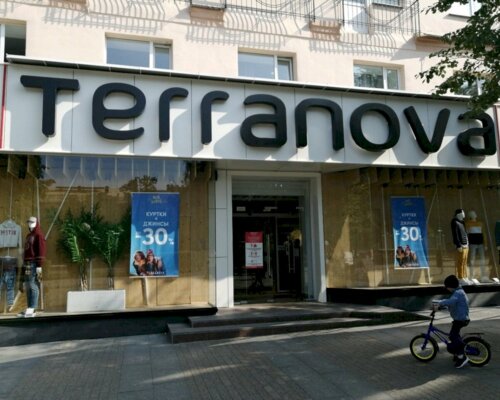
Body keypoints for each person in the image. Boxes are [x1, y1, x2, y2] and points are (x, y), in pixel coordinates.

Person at [434, 274, 470, 368]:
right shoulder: (458, 292)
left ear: (450, 286)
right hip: (459, 318)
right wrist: (442, 305)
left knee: (453, 336)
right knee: (455, 335)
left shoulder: (458, 293)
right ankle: (457, 353)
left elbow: (451, 301)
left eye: (447, 287)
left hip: (461, 319)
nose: (447, 289)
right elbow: (452, 302)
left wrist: (440, 303)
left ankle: (462, 356)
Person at [18, 216, 46, 318]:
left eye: (32, 222)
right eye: (29, 222)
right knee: (28, 285)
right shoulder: (28, 235)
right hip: (27, 263)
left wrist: (39, 265)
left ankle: (33, 308)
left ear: (36, 223)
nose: (30, 223)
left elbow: (41, 250)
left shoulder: (39, 235)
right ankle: (29, 308)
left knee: (33, 284)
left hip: (34, 263)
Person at [465, 210, 489, 282]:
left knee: (482, 259)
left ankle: (483, 276)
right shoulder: (468, 224)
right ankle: (471, 276)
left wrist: (485, 244)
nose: (474, 215)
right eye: (472, 214)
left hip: (480, 243)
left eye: (474, 213)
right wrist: (466, 244)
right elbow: (466, 234)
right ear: (470, 216)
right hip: (472, 243)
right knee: (472, 259)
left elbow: (484, 234)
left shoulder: (480, 223)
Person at [451, 209, 470, 285]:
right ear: (458, 214)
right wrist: (458, 245)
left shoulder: (462, 222)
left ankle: (465, 277)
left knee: (465, 262)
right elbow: (455, 234)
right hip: (461, 245)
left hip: (466, 245)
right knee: (460, 262)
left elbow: (464, 233)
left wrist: (467, 242)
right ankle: (460, 278)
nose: (464, 214)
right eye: (463, 212)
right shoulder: (454, 222)